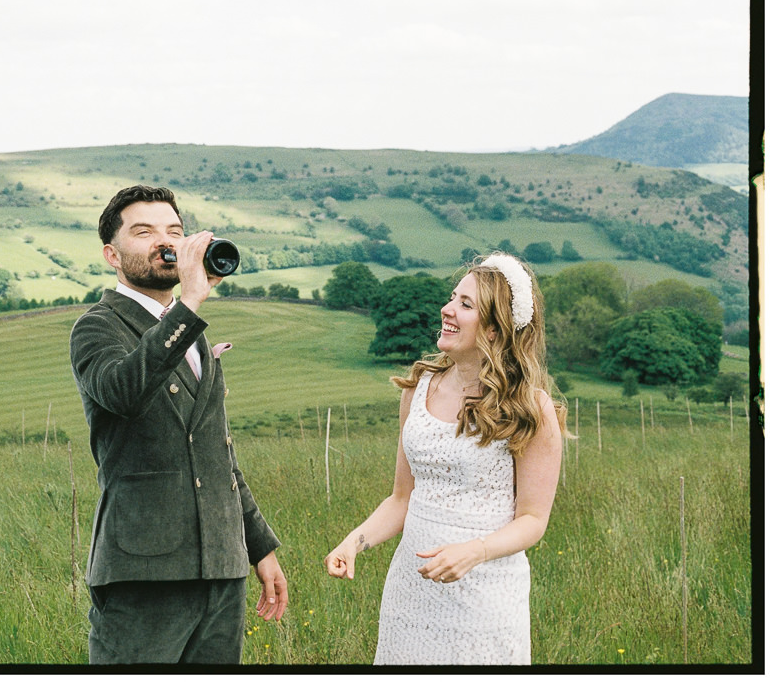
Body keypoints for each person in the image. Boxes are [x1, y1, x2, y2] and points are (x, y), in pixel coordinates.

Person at [70, 185, 288, 665]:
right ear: (112, 254)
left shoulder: (189, 333)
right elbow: (123, 392)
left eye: (174, 230)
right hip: (142, 571)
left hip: (222, 570)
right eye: (143, 231)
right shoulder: (97, 326)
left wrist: (258, 547)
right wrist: (190, 302)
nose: (163, 241)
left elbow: (219, 454)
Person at [325, 252, 568, 665]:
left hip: (485, 599)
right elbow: (402, 499)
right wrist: (355, 542)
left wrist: (476, 551)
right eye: (453, 298)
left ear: (494, 330)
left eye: (465, 304)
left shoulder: (530, 408)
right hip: (410, 594)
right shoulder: (418, 388)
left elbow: (533, 520)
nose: (447, 309)